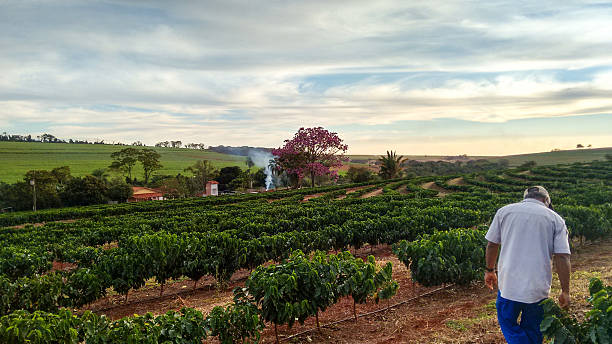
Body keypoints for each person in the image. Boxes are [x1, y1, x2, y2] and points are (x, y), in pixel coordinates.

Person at [484, 186, 571, 344]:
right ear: (546, 200)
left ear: (525, 197)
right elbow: (562, 257)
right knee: (534, 329)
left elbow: (492, 244)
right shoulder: (555, 219)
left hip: (508, 285)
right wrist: (565, 291)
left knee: (507, 322)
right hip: (538, 287)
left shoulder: (504, 212)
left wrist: (490, 270)